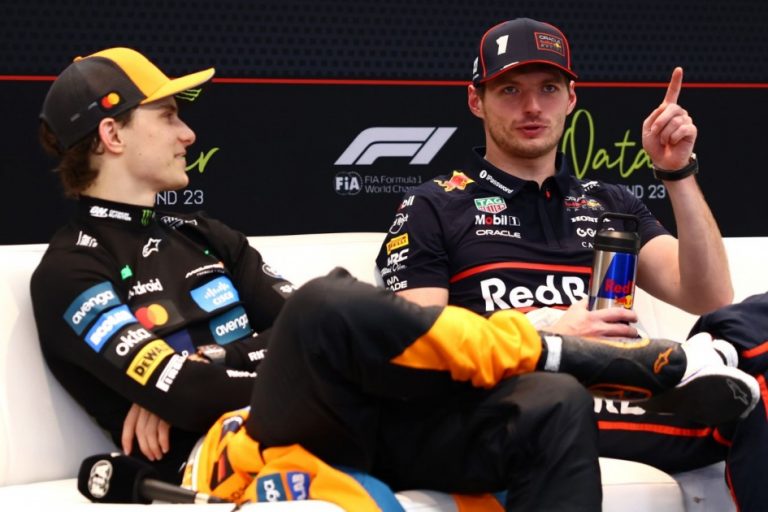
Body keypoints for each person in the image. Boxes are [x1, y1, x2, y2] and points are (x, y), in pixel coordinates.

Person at [31, 47, 758, 511]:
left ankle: (576, 362)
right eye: (167, 115)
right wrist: (214, 374)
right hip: (228, 443)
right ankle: (595, 354)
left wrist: (212, 362)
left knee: (549, 402)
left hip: (345, 418)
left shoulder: (206, 235)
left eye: (548, 88)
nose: (188, 132)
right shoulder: (68, 271)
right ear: (112, 134)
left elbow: (273, 349)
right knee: (328, 304)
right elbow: (203, 391)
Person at [375, 17, 760, 510]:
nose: (532, 107)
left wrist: (677, 171)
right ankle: (700, 367)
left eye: (549, 89)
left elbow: (709, 295)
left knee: (756, 344)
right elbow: (420, 344)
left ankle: (706, 365)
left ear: (571, 99)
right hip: (528, 397)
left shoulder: (609, 201)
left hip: (629, 389)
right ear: (476, 100)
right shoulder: (434, 204)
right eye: (510, 90)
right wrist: (550, 336)